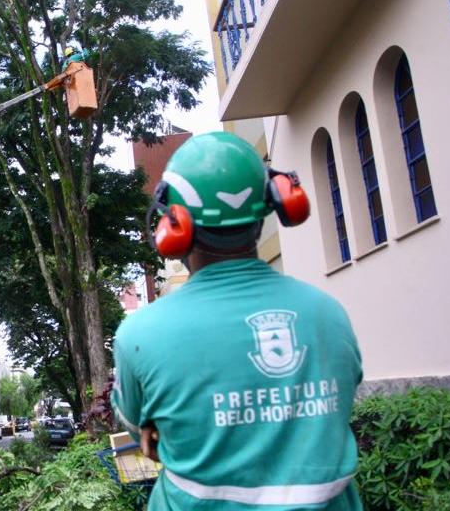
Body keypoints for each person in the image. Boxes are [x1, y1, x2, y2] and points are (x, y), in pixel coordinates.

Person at [111, 132, 364, 509]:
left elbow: (138, 428)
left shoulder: (140, 334)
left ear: (174, 226)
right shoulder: (328, 314)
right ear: (275, 204)